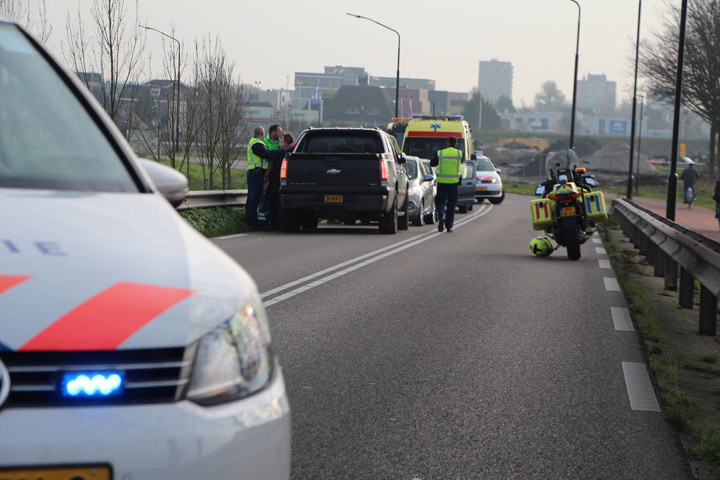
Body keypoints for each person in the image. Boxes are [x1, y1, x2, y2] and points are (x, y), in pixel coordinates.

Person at [246, 126, 285, 228]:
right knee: (253, 199)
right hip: (256, 174)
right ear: (262, 134)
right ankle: (252, 223)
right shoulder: (256, 144)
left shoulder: (257, 143)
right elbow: (267, 154)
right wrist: (282, 152)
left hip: (259, 174)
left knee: (257, 198)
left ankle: (255, 222)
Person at [430, 136, 464, 233]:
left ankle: (441, 216)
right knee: (451, 205)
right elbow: (462, 165)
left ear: (448, 143)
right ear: (456, 144)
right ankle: (449, 226)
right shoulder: (460, 154)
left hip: (442, 183)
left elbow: (432, 163)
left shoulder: (440, 153)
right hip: (454, 183)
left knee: (440, 202)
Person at [265, 132, 294, 229]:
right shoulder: (290, 152)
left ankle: (274, 222)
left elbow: (274, 167)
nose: (280, 143)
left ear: (285, 142)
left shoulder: (282, 152)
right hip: (281, 181)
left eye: (282, 141)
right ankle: (277, 221)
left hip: (275, 181)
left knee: (273, 202)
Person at [257, 124, 284, 223]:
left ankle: (274, 219)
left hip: (277, 175)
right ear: (273, 133)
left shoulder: (280, 144)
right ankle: (263, 221)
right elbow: (268, 155)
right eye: (279, 132)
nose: (281, 134)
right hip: (267, 175)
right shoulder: (264, 143)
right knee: (264, 197)